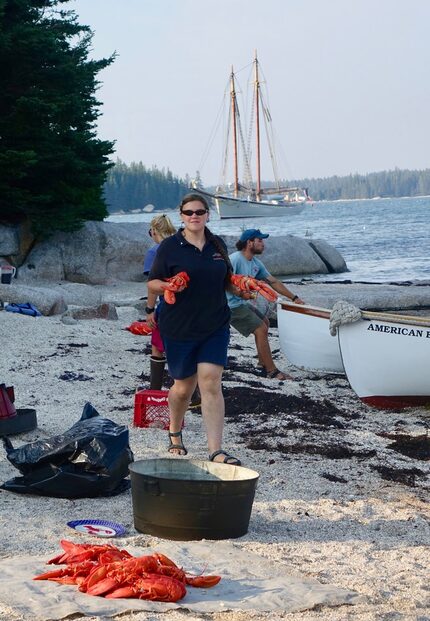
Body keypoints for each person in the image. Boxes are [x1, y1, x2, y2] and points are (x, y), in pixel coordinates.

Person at [148, 193, 242, 465]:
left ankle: (216, 450)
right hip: (179, 326)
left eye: (199, 212)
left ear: (207, 215)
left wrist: (241, 291)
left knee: (211, 381)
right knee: (183, 388)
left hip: (215, 323)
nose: (194, 216)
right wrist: (167, 287)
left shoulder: (217, 245)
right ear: (181, 215)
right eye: (189, 212)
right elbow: (153, 282)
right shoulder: (169, 247)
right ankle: (175, 431)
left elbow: (226, 281)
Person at [227, 228, 305, 381]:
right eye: (260, 240)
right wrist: (241, 293)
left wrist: (294, 297)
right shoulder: (235, 259)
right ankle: (272, 371)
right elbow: (225, 281)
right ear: (249, 243)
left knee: (265, 322)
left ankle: (262, 363)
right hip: (229, 305)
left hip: (240, 303)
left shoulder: (255, 263)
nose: (263, 244)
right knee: (260, 329)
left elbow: (273, 281)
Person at [143, 214, 176, 390]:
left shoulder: (154, 252)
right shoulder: (180, 247)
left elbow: (153, 285)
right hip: (187, 305)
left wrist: (149, 309)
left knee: (158, 346)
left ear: (154, 230)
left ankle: (155, 389)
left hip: (167, 306)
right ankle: (194, 395)